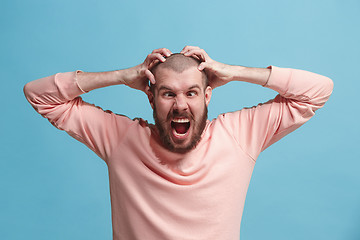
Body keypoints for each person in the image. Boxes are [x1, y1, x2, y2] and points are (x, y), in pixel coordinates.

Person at [24, 46, 334, 240]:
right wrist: (120, 76)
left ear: (207, 96)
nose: (180, 105)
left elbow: (319, 90)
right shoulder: (119, 138)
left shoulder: (238, 135)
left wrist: (234, 71)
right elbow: (39, 95)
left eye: (191, 93)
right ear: (151, 97)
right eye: (168, 93)